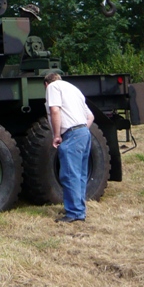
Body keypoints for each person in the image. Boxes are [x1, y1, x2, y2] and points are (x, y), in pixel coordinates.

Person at [44, 71, 94, 223]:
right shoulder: (74, 90)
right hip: (84, 133)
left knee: (70, 174)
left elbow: (54, 110)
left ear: (46, 84)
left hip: (72, 134)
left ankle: (74, 213)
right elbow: (90, 116)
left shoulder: (52, 87)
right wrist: (81, 130)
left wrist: (57, 135)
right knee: (80, 175)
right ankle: (79, 210)